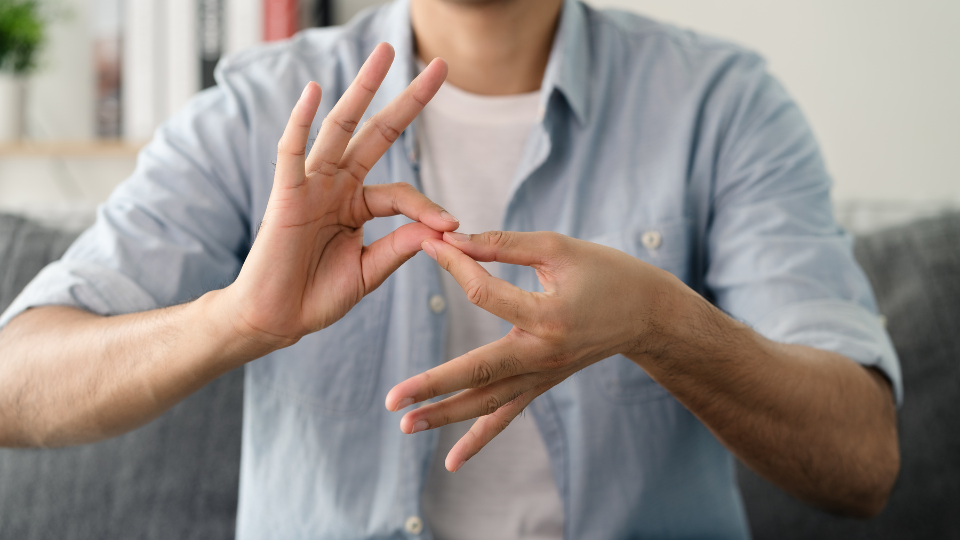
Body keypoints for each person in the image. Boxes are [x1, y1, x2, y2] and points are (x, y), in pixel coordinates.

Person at [0, 0, 901, 538]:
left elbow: (862, 461)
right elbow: (16, 384)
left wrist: (661, 324)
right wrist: (233, 318)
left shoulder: (724, 106)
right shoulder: (260, 108)